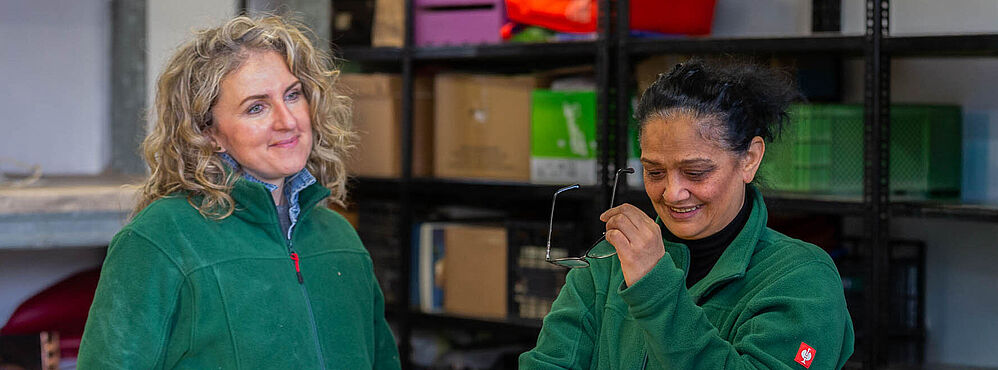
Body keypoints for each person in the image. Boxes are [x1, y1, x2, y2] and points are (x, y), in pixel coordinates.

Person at [78, 15, 400, 369]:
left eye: (293, 95)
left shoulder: (341, 238)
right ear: (207, 132)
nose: (287, 121)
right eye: (256, 107)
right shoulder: (161, 238)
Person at [520, 59, 854, 369]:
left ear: (749, 159)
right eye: (654, 172)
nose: (672, 193)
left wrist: (654, 287)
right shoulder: (607, 264)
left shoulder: (801, 280)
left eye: (695, 172)